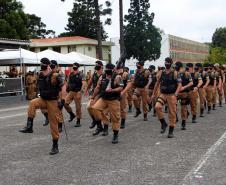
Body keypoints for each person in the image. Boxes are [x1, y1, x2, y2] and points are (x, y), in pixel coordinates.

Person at [19, 58, 65, 155]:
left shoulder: (55, 75)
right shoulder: (40, 75)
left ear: (48, 65)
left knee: (53, 124)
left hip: (53, 101)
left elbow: (62, 87)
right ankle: (29, 126)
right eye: (41, 63)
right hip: (43, 99)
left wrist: (62, 100)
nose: (41, 65)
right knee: (32, 103)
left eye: (43, 64)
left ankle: (55, 146)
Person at [91, 63, 124, 143]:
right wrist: (93, 96)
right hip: (104, 98)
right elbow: (98, 87)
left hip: (113, 99)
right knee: (94, 108)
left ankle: (115, 135)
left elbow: (121, 87)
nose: (108, 70)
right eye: (107, 68)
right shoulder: (102, 77)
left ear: (113, 69)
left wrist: (112, 90)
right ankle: (99, 126)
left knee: (115, 118)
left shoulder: (117, 77)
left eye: (109, 68)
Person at [152, 57, 182, 138]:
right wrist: (153, 94)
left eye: (168, 62)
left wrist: (176, 94)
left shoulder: (175, 73)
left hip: (172, 94)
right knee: (157, 107)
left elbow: (179, 85)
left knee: (172, 113)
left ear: (171, 63)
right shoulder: (161, 72)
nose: (166, 64)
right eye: (165, 62)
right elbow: (157, 83)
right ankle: (163, 123)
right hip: (163, 94)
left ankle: (171, 130)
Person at [85, 60, 104, 129]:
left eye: (97, 65)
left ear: (101, 66)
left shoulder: (104, 75)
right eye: (95, 65)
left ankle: (99, 126)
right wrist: (87, 90)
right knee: (89, 107)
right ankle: (95, 121)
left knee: (93, 107)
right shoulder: (94, 74)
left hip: (101, 93)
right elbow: (90, 83)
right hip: (95, 93)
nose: (95, 66)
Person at [64, 62, 83, 127]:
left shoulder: (80, 74)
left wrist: (80, 91)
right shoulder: (71, 74)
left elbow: (83, 83)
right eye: (73, 66)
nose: (73, 67)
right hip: (71, 91)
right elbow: (68, 82)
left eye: (75, 66)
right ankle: (72, 114)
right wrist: (67, 88)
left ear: (78, 67)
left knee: (78, 107)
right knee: (65, 103)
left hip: (77, 92)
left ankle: (78, 121)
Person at [175, 61, 193, 130]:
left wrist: (184, 87)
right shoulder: (174, 73)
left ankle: (183, 122)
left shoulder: (187, 73)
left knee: (183, 108)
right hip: (176, 93)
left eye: (176, 66)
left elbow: (191, 83)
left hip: (184, 93)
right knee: (173, 107)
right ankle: (175, 117)